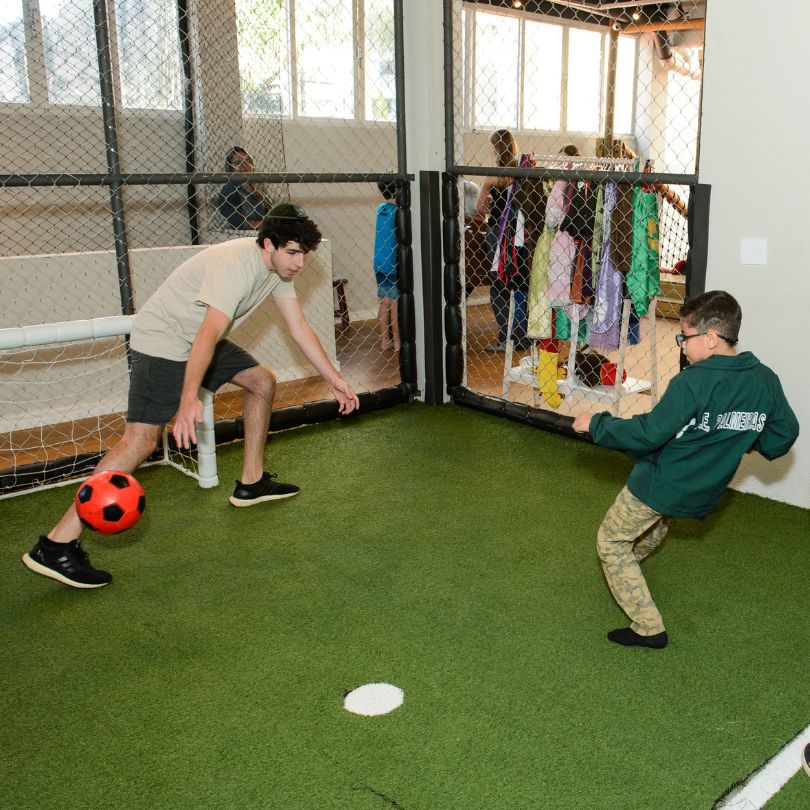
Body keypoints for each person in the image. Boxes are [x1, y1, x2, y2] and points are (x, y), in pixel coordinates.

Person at [22, 203, 360, 590]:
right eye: (293, 252)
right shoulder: (235, 267)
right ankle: (56, 543)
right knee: (141, 440)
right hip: (164, 342)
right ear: (268, 244)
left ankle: (251, 483)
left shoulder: (278, 271)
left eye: (304, 253)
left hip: (196, 340)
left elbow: (299, 328)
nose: (300, 263)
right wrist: (187, 402)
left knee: (261, 382)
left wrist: (334, 379)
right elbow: (205, 337)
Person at [572, 291, 799, 649]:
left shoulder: (692, 382)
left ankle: (648, 627)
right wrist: (742, 439)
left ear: (710, 338)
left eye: (685, 337)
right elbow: (784, 435)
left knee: (611, 541)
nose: (682, 346)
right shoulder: (764, 380)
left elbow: (649, 433)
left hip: (659, 484)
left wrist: (596, 424)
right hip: (702, 491)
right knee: (658, 520)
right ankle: (631, 569)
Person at [475, 129, 524, 352]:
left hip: (497, 230)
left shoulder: (493, 174)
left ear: (495, 148)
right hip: (520, 233)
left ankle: (506, 338)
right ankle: (522, 336)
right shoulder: (522, 172)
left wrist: (492, 208)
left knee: (499, 283)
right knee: (520, 281)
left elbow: (479, 206)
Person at [373, 181, 400, 352]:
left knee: (384, 302)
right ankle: (397, 341)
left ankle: (385, 340)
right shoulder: (398, 212)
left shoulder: (381, 209)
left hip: (379, 262)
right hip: (393, 263)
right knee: (395, 303)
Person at [217, 147, 270, 230]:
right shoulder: (229, 189)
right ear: (230, 168)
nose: (244, 166)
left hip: (264, 233)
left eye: (247, 161)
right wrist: (273, 226)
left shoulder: (257, 187)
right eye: (238, 163)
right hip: (242, 237)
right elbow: (240, 224)